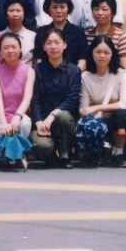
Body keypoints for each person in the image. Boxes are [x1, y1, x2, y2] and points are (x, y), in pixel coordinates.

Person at [28, 28, 80, 167]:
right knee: (42, 146)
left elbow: (71, 99)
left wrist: (52, 116)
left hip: (63, 121)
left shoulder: (74, 71)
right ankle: (51, 155)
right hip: (42, 122)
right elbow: (34, 99)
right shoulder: (36, 70)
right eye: (49, 43)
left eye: (57, 42)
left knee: (63, 116)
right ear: (44, 47)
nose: (53, 46)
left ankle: (65, 152)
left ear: (65, 44)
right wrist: (38, 121)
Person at [78, 35, 126, 167]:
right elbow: (83, 109)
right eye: (98, 52)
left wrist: (97, 107)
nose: (102, 56)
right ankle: (94, 152)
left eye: (106, 52)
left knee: (122, 113)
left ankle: (119, 153)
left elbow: (125, 104)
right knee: (87, 121)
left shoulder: (122, 74)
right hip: (96, 120)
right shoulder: (85, 76)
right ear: (92, 53)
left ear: (112, 54)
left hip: (115, 119)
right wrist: (93, 112)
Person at [0, 32, 35, 170]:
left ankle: (13, 154)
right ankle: (18, 155)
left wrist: (17, 116)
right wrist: (3, 122)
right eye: (6, 47)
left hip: (19, 115)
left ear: (20, 49)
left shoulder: (29, 71)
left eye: (14, 47)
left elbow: (27, 98)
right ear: (0, 51)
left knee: (24, 124)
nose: (10, 50)